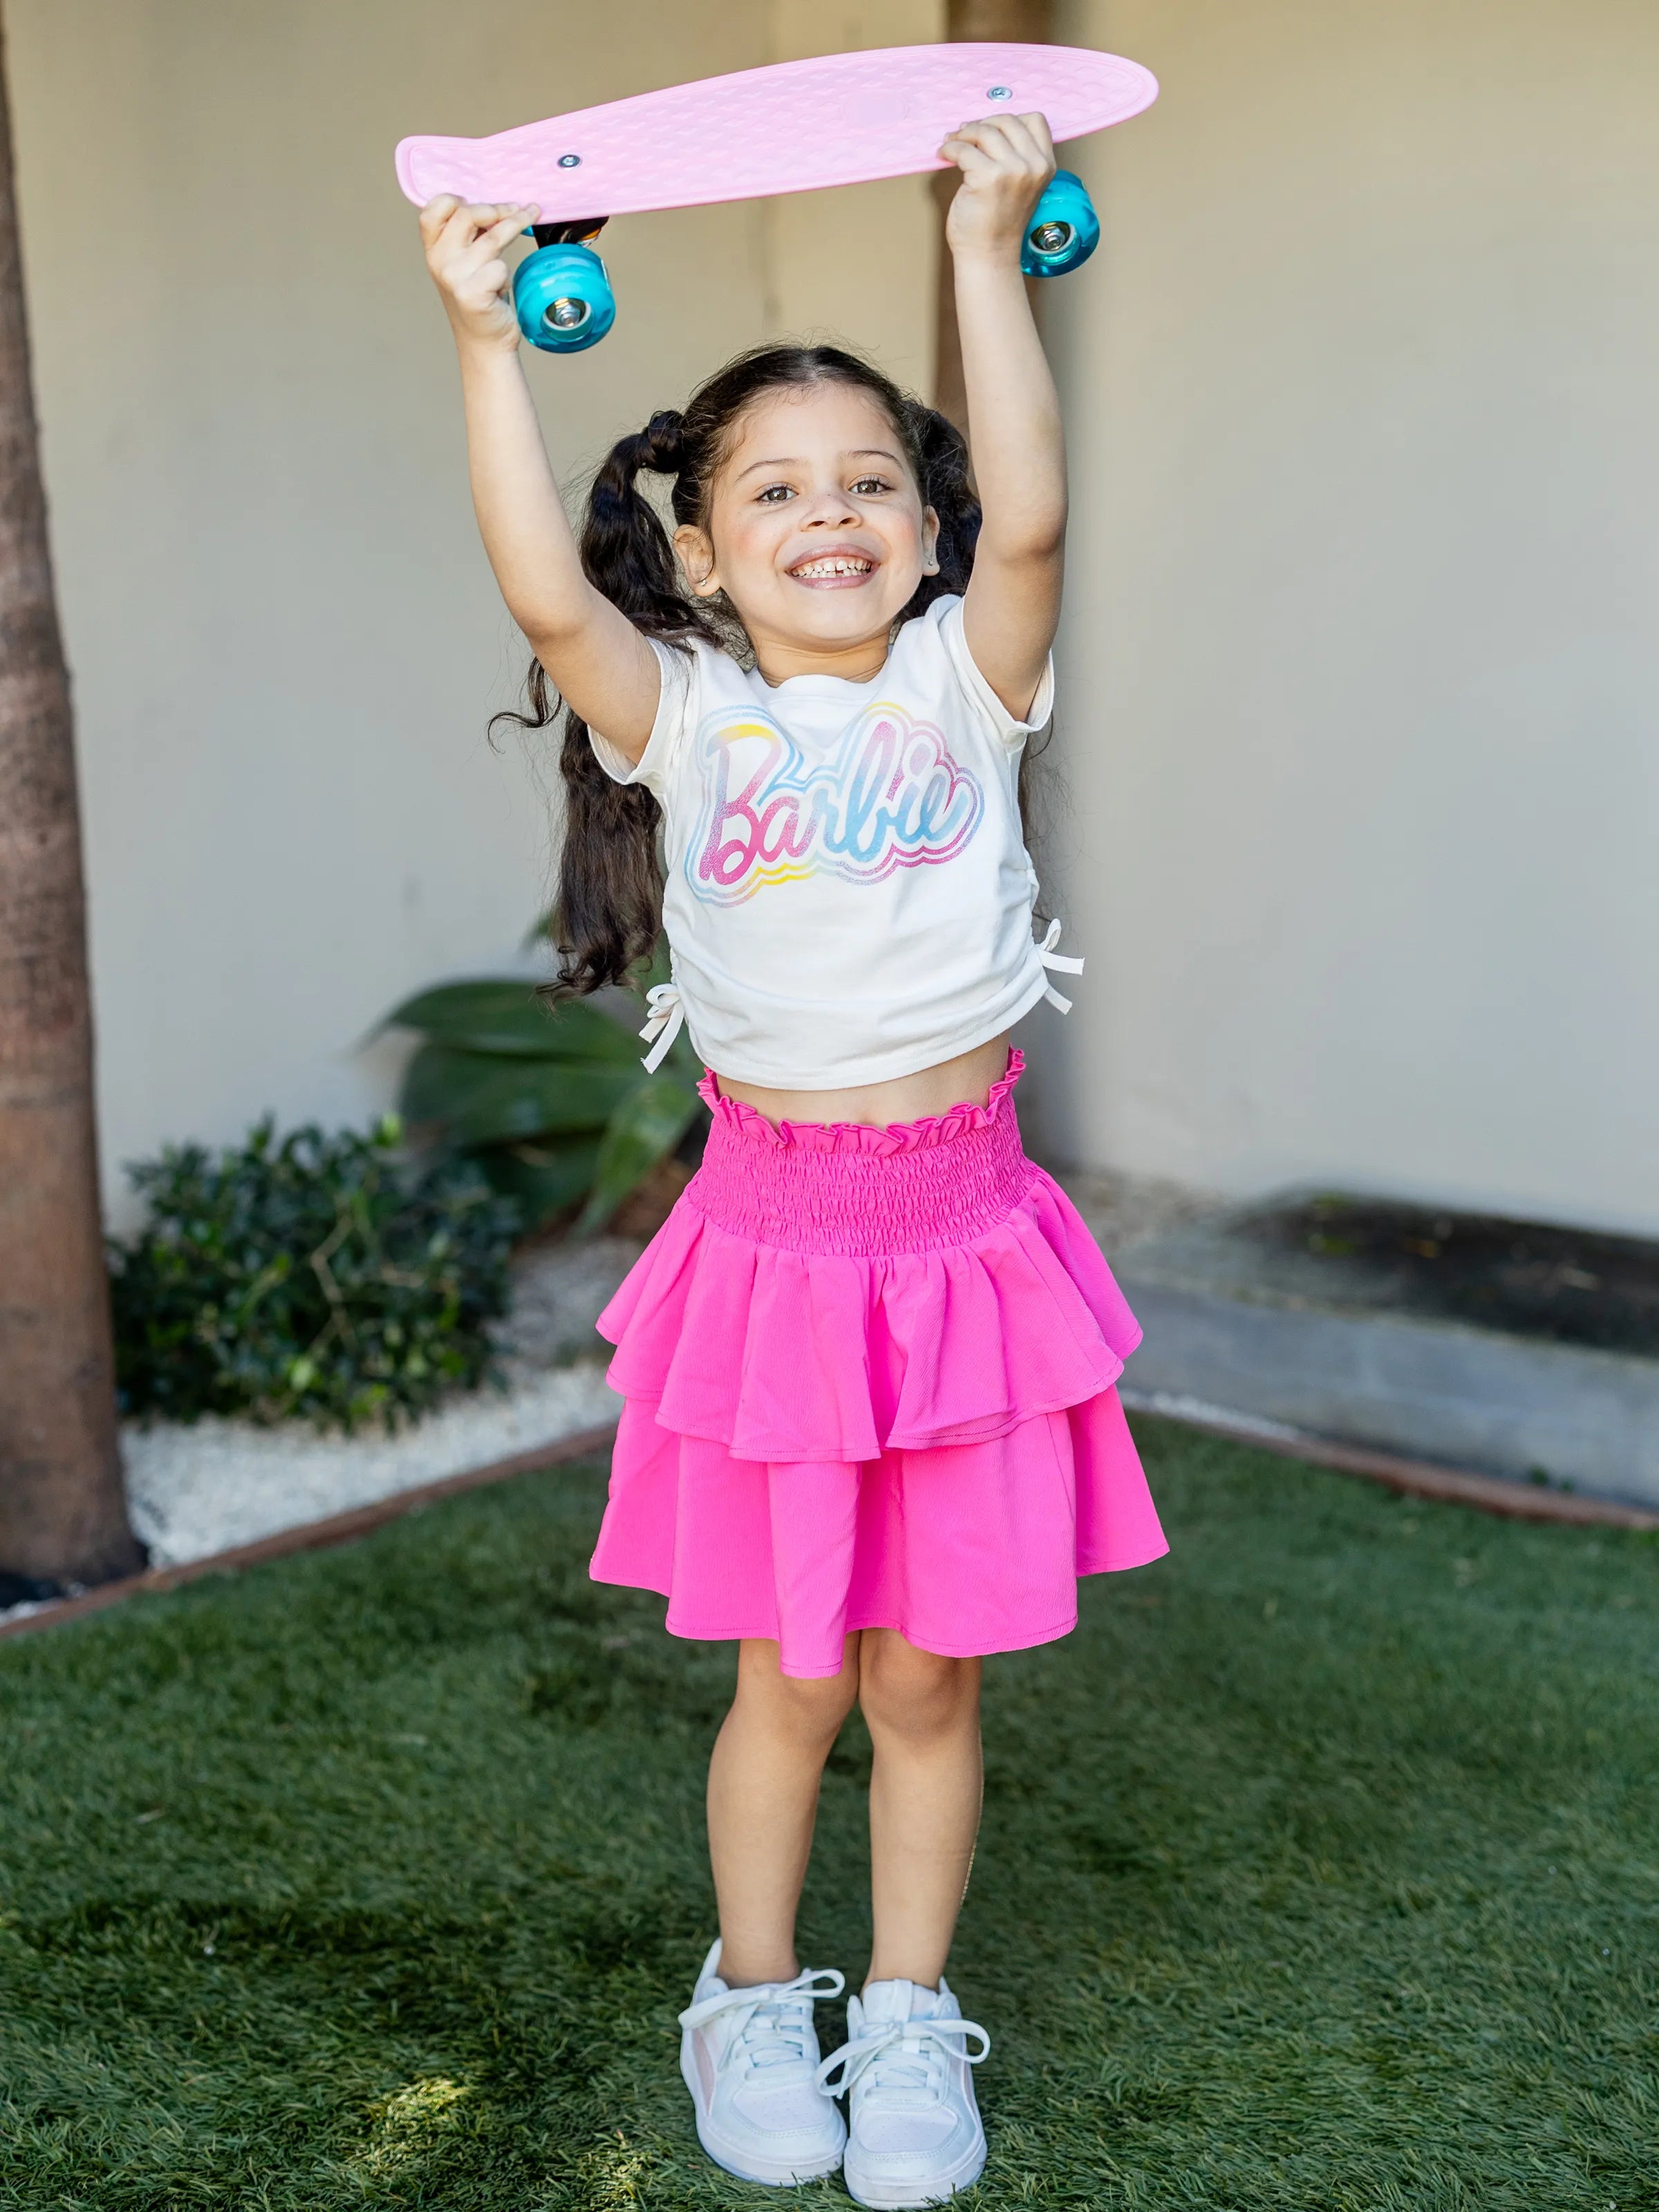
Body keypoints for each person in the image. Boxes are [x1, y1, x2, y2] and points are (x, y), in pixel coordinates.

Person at [419, 106, 1167, 2209]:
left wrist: (987, 249)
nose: (829, 512)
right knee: (800, 1673)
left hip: (968, 1247)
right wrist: (484, 338)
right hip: (779, 1256)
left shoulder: (969, 679)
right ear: (702, 550)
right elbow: (536, 583)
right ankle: (753, 1993)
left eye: (869, 481)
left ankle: (909, 2011)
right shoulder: (684, 712)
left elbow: (1036, 515)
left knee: (928, 1677)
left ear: (923, 527)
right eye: (774, 488)